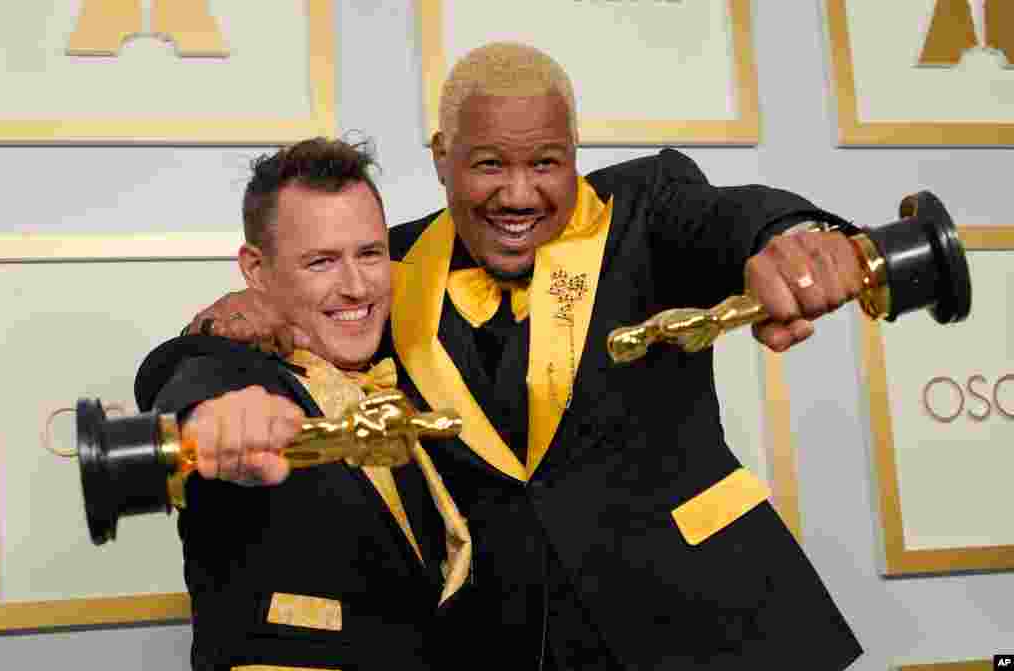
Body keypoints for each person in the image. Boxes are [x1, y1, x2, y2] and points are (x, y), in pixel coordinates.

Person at [186, 43, 865, 669]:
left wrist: (801, 238)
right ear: (441, 158)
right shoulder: (386, 268)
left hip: (722, 629)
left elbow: (736, 217)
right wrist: (241, 313)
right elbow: (273, 313)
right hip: (510, 649)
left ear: (573, 152)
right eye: (489, 164)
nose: (518, 194)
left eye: (545, 161)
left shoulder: (645, 208)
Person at [134, 137, 470, 671]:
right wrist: (207, 426)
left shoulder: (410, 362)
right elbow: (190, 385)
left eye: (370, 253)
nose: (356, 286)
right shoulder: (232, 368)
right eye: (321, 262)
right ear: (257, 272)